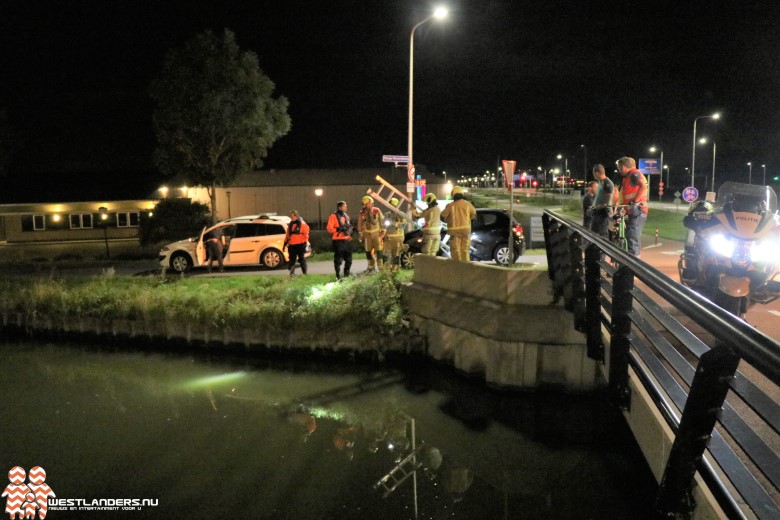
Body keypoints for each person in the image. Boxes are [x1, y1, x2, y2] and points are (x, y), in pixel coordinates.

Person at [616, 156, 648, 256]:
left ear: (626, 166)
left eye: (620, 168)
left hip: (638, 210)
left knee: (632, 236)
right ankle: (632, 260)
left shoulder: (634, 174)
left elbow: (643, 185)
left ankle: (634, 263)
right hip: (632, 210)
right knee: (630, 235)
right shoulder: (628, 177)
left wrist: (635, 201)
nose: (619, 170)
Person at [440, 186, 476, 262]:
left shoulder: (450, 205)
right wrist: (467, 219)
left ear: (453, 195)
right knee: (465, 250)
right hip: (465, 231)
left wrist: (448, 221)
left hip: (454, 232)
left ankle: (457, 267)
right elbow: (474, 214)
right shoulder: (468, 204)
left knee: (455, 250)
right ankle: (466, 267)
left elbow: (442, 216)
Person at [326, 201, 353, 280]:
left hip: (346, 240)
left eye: (346, 206)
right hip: (337, 240)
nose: (346, 207)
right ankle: (338, 275)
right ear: (340, 207)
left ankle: (346, 275)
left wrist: (350, 232)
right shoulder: (333, 216)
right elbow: (329, 228)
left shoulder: (346, 216)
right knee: (338, 260)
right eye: (345, 206)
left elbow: (349, 227)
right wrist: (338, 229)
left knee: (349, 259)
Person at [358, 195, 385, 273]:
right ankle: (371, 268)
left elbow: (382, 221)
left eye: (371, 203)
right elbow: (360, 224)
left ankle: (381, 268)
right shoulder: (362, 213)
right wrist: (360, 234)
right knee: (368, 251)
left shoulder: (377, 210)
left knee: (379, 250)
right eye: (369, 203)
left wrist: (383, 232)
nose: (371, 204)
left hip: (377, 235)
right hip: (367, 236)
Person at [590, 165, 614, 238]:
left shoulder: (607, 183)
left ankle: (603, 249)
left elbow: (607, 200)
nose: (593, 175)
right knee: (594, 234)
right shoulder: (601, 182)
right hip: (597, 212)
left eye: (593, 173)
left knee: (602, 234)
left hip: (603, 213)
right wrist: (593, 206)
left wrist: (598, 207)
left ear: (597, 173)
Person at [284, 210, 310, 277]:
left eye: (292, 216)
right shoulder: (290, 225)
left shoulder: (303, 225)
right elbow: (287, 235)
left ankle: (305, 273)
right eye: (291, 216)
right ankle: (292, 274)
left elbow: (306, 235)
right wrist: (284, 244)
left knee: (301, 259)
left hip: (300, 245)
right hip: (292, 245)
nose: (291, 217)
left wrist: (305, 243)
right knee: (292, 260)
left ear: (296, 216)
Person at [383, 198, 406, 272]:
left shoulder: (401, 214)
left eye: (391, 205)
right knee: (386, 253)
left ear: (395, 205)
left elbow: (404, 225)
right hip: (389, 237)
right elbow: (383, 224)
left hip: (398, 237)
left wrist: (397, 224)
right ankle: (386, 268)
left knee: (396, 253)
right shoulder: (387, 214)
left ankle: (395, 269)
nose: (390, 206)